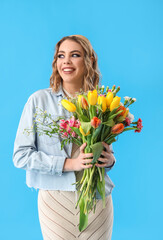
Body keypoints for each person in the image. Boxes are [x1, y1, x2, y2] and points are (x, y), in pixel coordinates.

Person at [13, 35, 116, 240]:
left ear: (89, 62)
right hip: (55, 200)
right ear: (56, 62)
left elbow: (103, 150)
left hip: (97, 199)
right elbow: (21, 156)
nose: (66, 61)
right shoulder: (38, 101)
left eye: (74, 55)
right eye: (61, 56)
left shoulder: (102, 101)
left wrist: (110, 160)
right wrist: (69, 164)